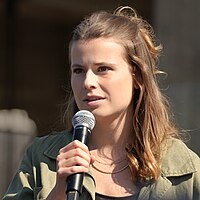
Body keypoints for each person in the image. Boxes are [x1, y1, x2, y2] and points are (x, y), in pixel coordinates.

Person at [3, 6, 200, 200]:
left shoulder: (185, 169)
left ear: (138, 76)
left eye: (103, 69)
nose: (88, 82)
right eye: (78, 70)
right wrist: (59, 193)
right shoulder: (42, 158)